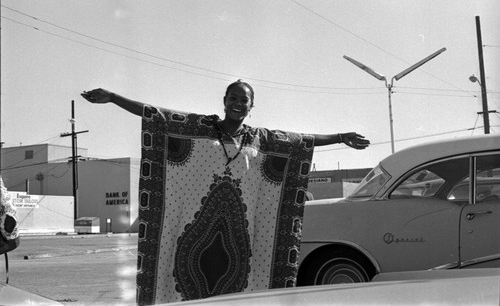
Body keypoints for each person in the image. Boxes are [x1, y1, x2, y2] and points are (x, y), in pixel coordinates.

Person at [81, 80, 369, 305]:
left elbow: (301, 141)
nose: (237, 103)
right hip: (192, 232)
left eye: (244, 100)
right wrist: (114, 98)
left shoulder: (261, 139)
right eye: (233, 98)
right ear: (224, 102)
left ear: (251, 106)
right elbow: (157, 115)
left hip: (238, 237)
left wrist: (341, 137)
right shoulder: (200, 127)